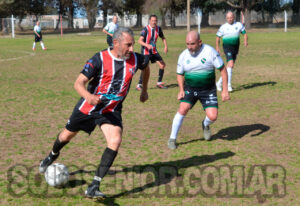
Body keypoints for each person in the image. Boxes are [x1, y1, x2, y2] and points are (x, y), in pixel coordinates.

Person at [39, 27, 150, 199]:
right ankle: (51, 156)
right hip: (88, 107)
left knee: (115, 140)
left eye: (132, 44)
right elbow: (78, 83)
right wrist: (89, 97)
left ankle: (94, 186)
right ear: (116, 43)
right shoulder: (99, 59)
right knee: (66, 136)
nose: (131, 49)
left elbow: (146, 66)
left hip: (110, 109)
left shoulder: (136, 59)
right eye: (128, 45)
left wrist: (144, 90)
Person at [167, 31, 230, 150]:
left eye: (192, 44)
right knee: (182, 109)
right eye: (187, 44)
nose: (189, 47)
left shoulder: (210, 52)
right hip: (190, 88)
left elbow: (223, 70)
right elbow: (180, 74)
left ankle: (205, 125)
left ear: (200, 42)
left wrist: (225, 90)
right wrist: (181, 90)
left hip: (208, 90)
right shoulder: (183, 56)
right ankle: (172, 138)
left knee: (213, 117)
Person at [216, 11, 248, 92]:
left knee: (230, 67)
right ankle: (228, 85)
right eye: (228, 18)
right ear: (226, 18)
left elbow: (244, 33)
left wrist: (245, 40)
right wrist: (217, 48)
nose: (230, 19)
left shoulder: (239, 25)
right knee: (231, 64)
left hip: (235, 48)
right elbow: (218, 38)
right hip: (227, 47)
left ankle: (219, 83)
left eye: (231, 17)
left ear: (233, 17)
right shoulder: (223, 27)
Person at [136, 14, 168, 90]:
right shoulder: (145, 29)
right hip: (146, 51)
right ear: (149, 21)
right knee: (145, 68)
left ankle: (159, 83)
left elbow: (163, 38)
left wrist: (166, 46)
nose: (154, 22)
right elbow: (139, 41)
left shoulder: (158, 29)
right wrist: (146, 45)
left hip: (153, 51)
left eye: (155, 21)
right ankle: (139, 85)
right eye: (152, 20)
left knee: (162, 65)